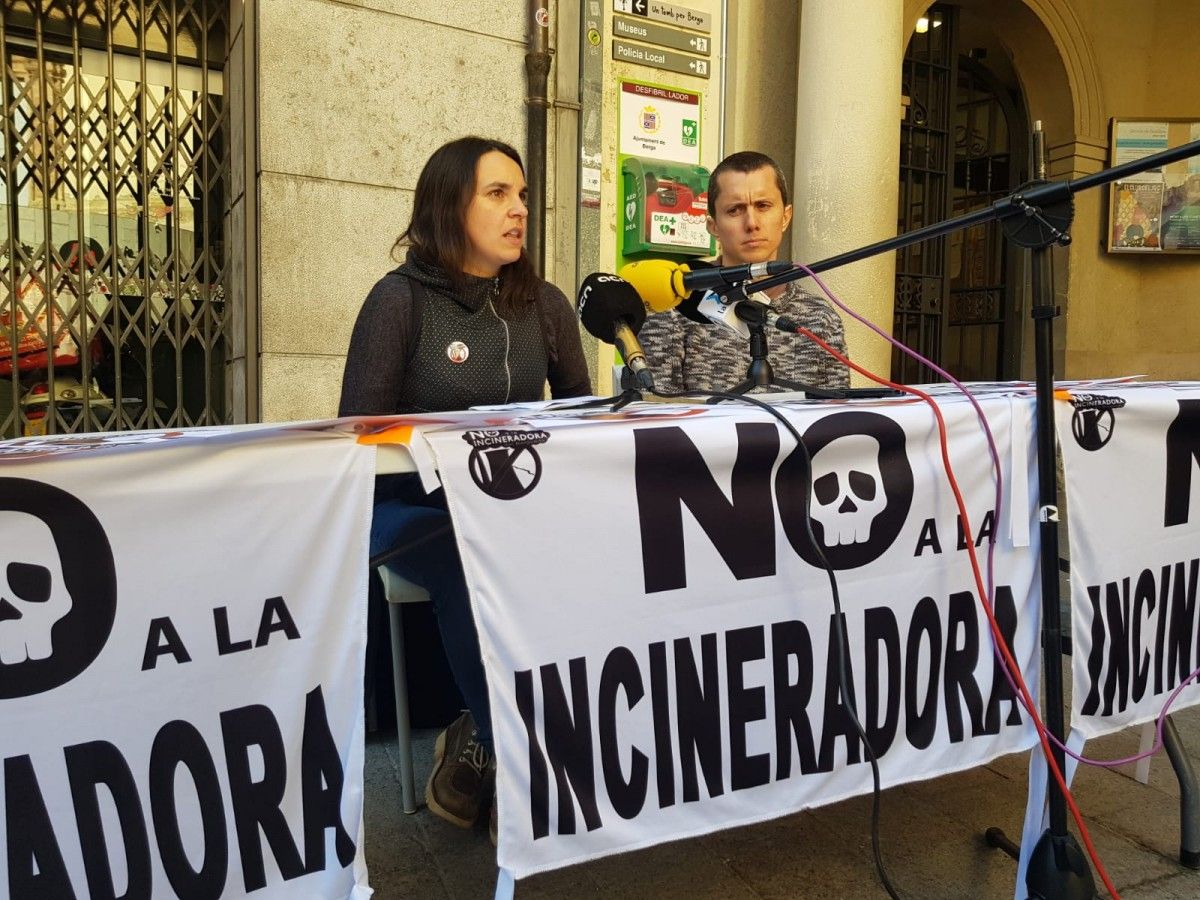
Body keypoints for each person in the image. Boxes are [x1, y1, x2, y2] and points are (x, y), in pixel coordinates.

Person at [338, 136, 591, 840]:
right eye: (497, 194)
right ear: (450, 205)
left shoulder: (545, 305)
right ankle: (515, 754)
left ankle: (496, 733)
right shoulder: (397, 303)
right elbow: (354, 439)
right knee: (464, 557)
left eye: (522, 196)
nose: (519, 211)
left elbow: (579, 416)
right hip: (408, 511)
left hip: (512, 506)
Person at [636, 150, 850, 393]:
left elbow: (837, 420)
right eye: (735, 210)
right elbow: (654, 417)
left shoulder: (820, 319)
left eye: (763, 206)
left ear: (785, 217)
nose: (751, 223)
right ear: (713, 225)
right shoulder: (673, 311)